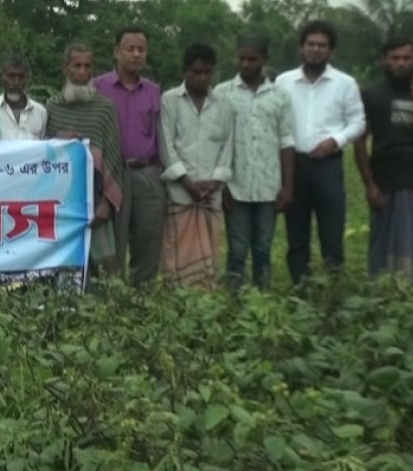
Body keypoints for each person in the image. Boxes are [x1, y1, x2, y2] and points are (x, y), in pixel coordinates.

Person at [275, 19, 365, 283]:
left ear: (331, 50)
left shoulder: (345, 83)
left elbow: (358, 122)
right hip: (294, 165)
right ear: (301, 48)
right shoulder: (283, 82)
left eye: (321, 45)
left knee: (332, 233)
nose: (315, 50)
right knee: (296, 234)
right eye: (310, 44)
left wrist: (335, 141)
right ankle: (300, 288)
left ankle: (333, 289)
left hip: (328, 165)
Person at [354, 37, 413, 280]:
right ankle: (382, 289)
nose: (401, 63)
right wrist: (369, 184)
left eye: (406, 58)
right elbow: (360, 142)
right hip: (385, 182)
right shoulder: (371, 94)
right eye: (395, 58)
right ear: (384, 60)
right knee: (383, 242)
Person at [214, 34, 295, 290]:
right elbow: (216, 141)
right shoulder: (222, 93)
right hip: (235, 186)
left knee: (262, 248)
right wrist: (220, 184)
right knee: (237, 249)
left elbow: (286, 140)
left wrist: (287, 186)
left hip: (268, 187)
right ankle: (233, 298)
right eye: (241, 58)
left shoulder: (280, 96)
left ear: (265, 60)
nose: (246, 64)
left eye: (252, 59)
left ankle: (262, 298)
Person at [158, 44, 234, 289]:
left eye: (207, 72)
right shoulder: (169, 101)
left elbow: (227, 147)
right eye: (196, 72)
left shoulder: (224, 105)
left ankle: (206, 298)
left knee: (209, 256)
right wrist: (187, 183)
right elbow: (166, 145)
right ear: (185, 71)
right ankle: (177, 298)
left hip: (211, 196)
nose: (202, 77)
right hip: (180, 194)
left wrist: (215, 182)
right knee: (177, 257)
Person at [44, 45, 123, 277]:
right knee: (64, 264)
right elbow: (42, 154)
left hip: (97, 197)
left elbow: (113, 156)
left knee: (105, 268)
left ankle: (107, 300)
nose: (82, 71)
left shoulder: (105, 108)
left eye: (87, 66)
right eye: (76, 65)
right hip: (62, 199)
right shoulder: (52, 107)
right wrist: (56, 139)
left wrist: (106, 203)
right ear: (65, 69)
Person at [95, 26, 165, 286]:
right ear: (117, 52)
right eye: (130, 49)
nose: (136, 54)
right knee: (113, 240)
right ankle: (111, 294)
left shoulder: (154, 91)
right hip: (112, 173)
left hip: (147, 173)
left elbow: (160, 134)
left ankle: (142, 293)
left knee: (148, 238)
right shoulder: (98, 87)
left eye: (141, 49)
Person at [0, 56, 47, 141]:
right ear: (1, 78)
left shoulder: (40, 112)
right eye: (11, 76)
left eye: (21, 77)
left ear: (27, 79)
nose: (16, 82)